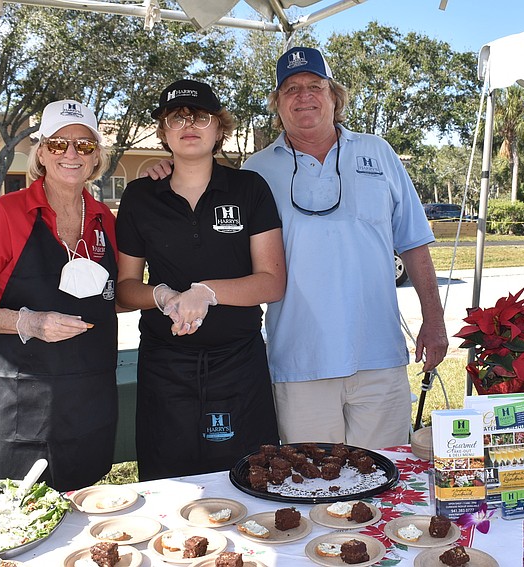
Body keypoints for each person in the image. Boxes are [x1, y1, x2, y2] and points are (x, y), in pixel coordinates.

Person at [146, 47, 448, 450]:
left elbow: (413, 243)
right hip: (297, 363)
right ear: (277, 103)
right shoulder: (254, 172)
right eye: (290, 89)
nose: (303, 96)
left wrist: (434, 320)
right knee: (311, 488)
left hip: (380, 358)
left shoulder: (379, 153)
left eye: (314, 86)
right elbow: (205, 200)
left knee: (384, 481)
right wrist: (165, 170)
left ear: (334, 97)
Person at [116, 79, 285, 480]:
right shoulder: (140, 196)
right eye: (177, 118)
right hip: (165, 366)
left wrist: (207, 292)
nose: (189, 125)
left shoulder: (249, 188)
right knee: (169, 486)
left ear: (219, 129)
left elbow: (272, 281)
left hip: (238, 364)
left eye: (202, 117)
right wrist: (162, 295)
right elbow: (124, 289)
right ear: (163, 131)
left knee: (250, 479)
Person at [0, 99, 119, 492]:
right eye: (58, 144)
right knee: (18, 519)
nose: (71, 154)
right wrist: (29, 321)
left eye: (84, 145)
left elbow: (116, 295)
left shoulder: (105, 219)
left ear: (96, 158)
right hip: (23, 401)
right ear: (41, 153)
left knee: (86, 518)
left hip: (90, 398)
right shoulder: (7, 212)